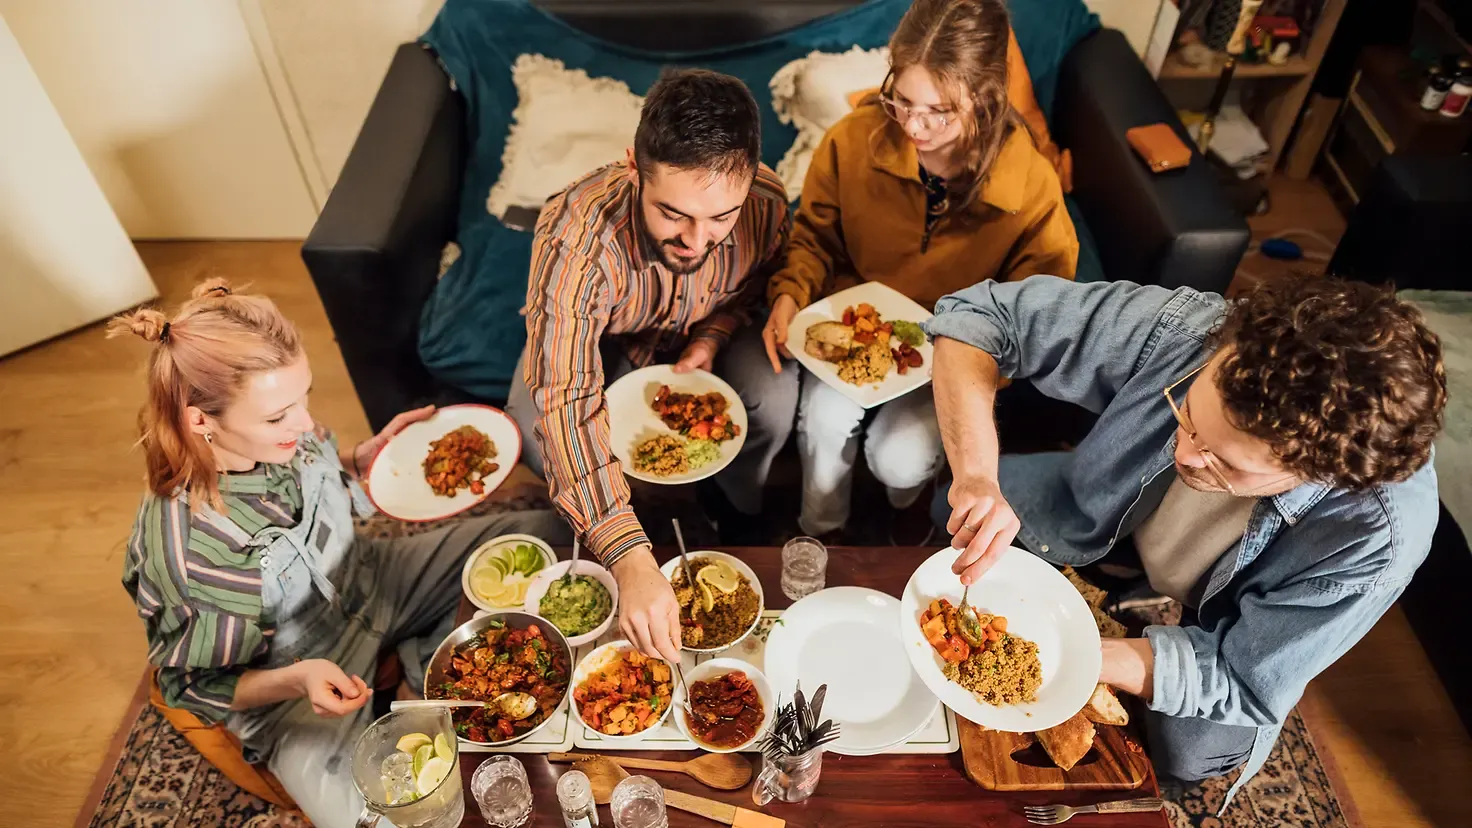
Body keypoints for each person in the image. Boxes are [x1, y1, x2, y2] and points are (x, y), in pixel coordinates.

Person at [926, 275, 1445, 807]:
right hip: (1109, 511)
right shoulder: (1197, 331)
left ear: (1316, 475)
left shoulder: (1377, 542)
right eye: (1187, 413)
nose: (1185, 455)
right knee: (949, 502)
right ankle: (1124, 577)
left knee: (1187, 750)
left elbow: (1242, 681)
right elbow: (977, 313)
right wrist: (976, 477)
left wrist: (1069, 654)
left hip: (1229, 623)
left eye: (1226, 462)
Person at [114, 281, 571, 828]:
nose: (304, 424)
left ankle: (411, 672)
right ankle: (415, 670)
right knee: (378, 821)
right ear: (199, 420)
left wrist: (364, 457)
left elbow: (323, 466)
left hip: (369, 579)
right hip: (297, 683)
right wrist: (298, 678)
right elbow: (192, 685)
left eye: (303, 398)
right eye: (279, 416)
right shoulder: (192, 555)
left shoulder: (276, 429)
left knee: (551, 530)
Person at [759, 0, 1078, 543]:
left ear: (985, 95)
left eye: (939, 111)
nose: (913, 125)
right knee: (825, 422)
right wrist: (790, 292)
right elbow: (812, 237)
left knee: (899, 458)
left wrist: (981, 367)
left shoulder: (1030, 183)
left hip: (958, 354)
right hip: (858, 331)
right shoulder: (851, 141)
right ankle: (821, 535)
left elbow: (1041, 308)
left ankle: (906, 517)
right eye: (901, 100)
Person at [505, 68, 793, 664]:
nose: (698, 240)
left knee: (775, 395)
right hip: (607, 343)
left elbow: (755, 284)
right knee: (533, 427)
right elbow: (564, 398)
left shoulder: (765, 201)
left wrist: (713, 336)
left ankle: (734, 509)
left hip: (702, 333)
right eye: (674, 214)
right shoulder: (576, 237)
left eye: (721, 218)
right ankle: (647, 514)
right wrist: (628, 555)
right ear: (634, 167)